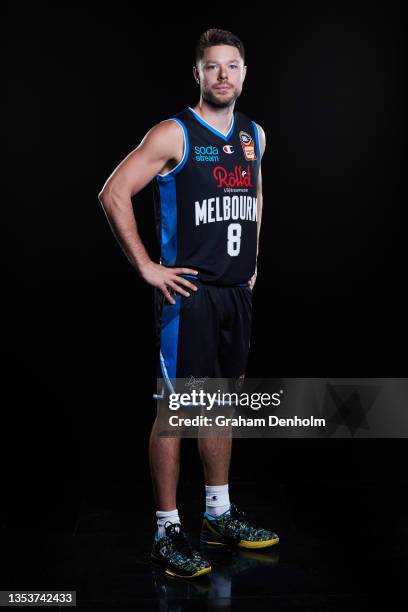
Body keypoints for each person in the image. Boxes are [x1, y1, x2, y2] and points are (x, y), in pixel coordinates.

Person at [98, 28, 279, 579]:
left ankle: (218, 515)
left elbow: (255, 193)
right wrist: (148, 268)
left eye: (232, 66)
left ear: (244, 73)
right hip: (190, 297)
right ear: (198, 75)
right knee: (176, 412)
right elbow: (113, 191)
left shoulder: (255, 135)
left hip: (234, 296)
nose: (223, 74)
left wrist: (251, 264)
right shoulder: (174, 133)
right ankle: (166, 528)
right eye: (212, 66)